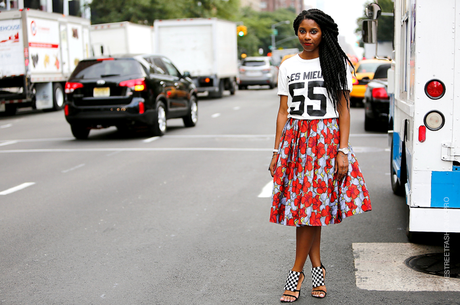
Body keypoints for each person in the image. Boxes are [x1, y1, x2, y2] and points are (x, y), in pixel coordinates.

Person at [268, 9, 372, 303]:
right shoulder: (287, 66)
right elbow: (282, 112)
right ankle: (317, 269)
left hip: (325, 141)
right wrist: (276, 151)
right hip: (297, 139)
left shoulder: (337, 62)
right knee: (308, 210)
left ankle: (295, 272)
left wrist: (342, 150)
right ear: (297, 32)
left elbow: (343, 111)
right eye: (302, 31)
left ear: (323, 33)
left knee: (310, 209)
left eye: (313, 31)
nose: (307, 37)